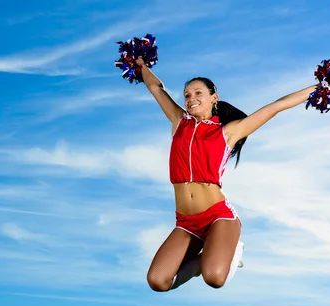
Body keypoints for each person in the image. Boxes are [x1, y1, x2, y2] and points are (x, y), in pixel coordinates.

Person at [134, 57, 317, 292]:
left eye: (198, 93)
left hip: (217, 217)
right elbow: (155, 87)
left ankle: (227, 250)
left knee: (215, 278)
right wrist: (140, 64)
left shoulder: (228, 132)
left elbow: (276, 106)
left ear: (214, 97)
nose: (191, 99)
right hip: (186, 222)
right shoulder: (179, 121)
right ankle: (205, 259)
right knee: (158, 281)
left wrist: (319, 88)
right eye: (187, 95)